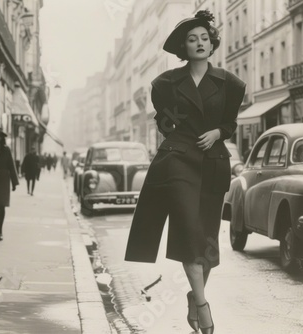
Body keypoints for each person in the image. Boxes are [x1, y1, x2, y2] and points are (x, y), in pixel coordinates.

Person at [124, 10, 246, 334]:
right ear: (184, 47)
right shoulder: (166, 84)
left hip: (213, 162)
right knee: (189, 236)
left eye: (204, 38)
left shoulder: (230, 84)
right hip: (180, 160)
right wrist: (182, 128)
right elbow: (165, 124)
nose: (200, 43)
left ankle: (195, 296)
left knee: (206, 241)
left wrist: (217, 133)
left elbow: (230, 123)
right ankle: (204, 308)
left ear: (212, 43)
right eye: (192, 40)